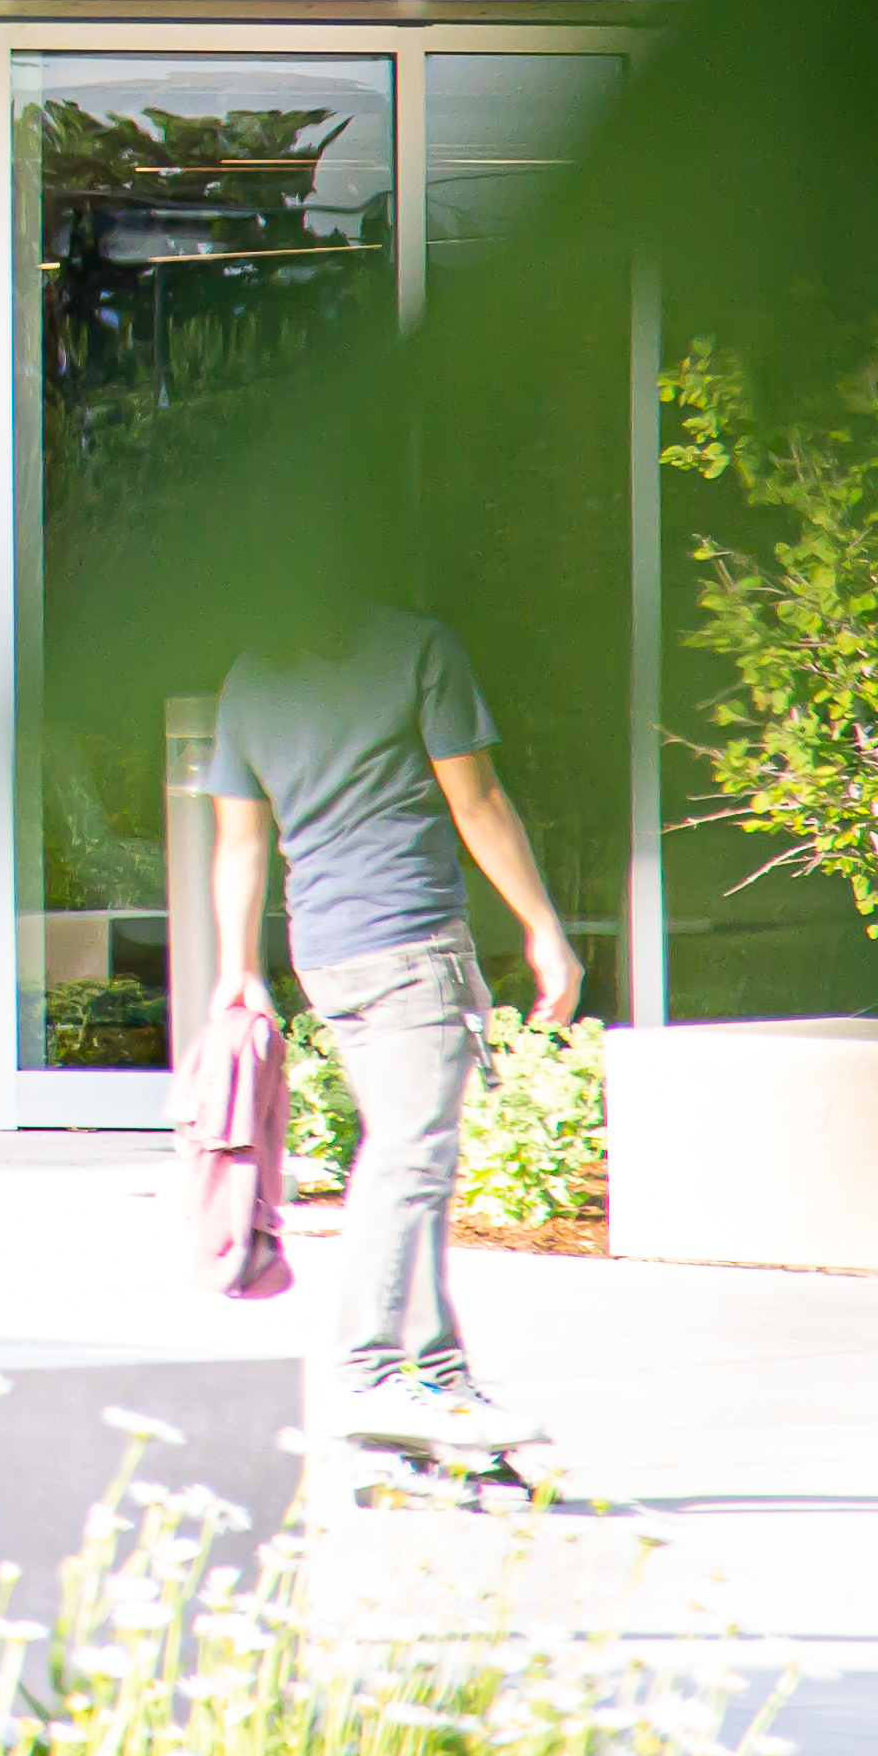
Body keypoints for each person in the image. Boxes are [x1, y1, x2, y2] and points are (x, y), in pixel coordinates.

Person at [202, 603, 583, 1455]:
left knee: (408, 1160)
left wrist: (241, 964)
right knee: (411, 1157)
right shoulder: (418, 647)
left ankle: (436, 1376)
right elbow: (476, 800)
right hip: (409, 938)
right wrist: (544, 928)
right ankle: (369, 1372)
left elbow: (238, 839)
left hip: (326, 949)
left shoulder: (253, 672)